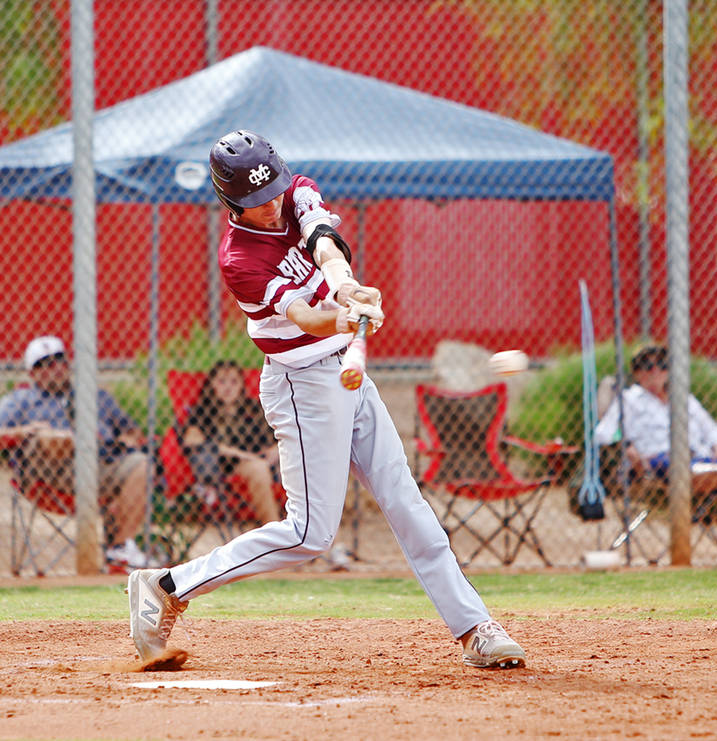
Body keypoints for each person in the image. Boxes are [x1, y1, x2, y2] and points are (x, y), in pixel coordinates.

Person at [126, 130, 525, 670]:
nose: (270, 208)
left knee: (404, 499)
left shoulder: (296, 193)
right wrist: (342, 315)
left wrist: (348, 287)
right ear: (228, 202)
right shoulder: (238, 258)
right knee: (310, 533)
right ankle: (168, 586)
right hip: (303, 385)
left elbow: (325, 246)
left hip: (349, 374)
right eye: (254, 203)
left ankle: (475, 627)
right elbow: (304, 319)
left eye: (273, 195)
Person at [0, 336, 156, 570]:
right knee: (51, 437)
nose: (56, 368)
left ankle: (120, 548)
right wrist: (26, 430)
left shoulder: (95, 396)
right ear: (33, 373)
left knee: (142, 464)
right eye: (46, 364)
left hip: (101, 468)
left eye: (59, 360)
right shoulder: (21, 400)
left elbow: (131, 431)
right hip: (51, 476)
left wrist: (124, 441)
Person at [594, 345, 717, 532]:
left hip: (698, 456)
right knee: (689, 466)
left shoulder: (683, 399)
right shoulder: (628, 399)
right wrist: (627, 447)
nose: (656, 370)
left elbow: (713, 429)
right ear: (636, 372)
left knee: (716, 459)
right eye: (648, 365)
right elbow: (603, 433)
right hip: (657, 462)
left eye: (662, 364)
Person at [178, 360, 282, 524]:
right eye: (222, 381)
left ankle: (315, 534)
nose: (228, 387)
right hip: (227, 467)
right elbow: (191, 440)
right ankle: (276, 535)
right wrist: (238, 454)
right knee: (258, 469)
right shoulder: (203, 410)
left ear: (241, 385)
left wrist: (276, 450)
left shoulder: (253, 408)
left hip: (265, 460)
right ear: (212, 384)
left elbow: (279, 435)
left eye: (234, 381)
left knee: (303, 459)